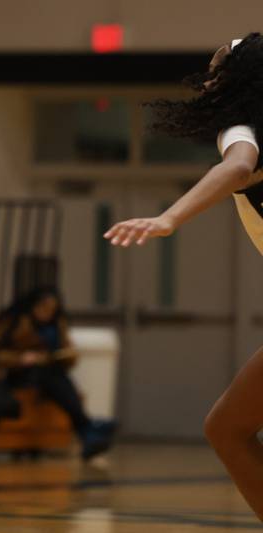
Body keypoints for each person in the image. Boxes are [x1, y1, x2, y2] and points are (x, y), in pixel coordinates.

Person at [104, 33, 263, 520]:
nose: (206, 80)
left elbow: (238, 167)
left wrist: (169, 217)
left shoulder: (242, 127)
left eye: (215, 71)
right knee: (227, 427)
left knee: (227, 429)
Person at [0, 287, 114, 460]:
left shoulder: (57, 324)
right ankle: (87, 427)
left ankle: (87, 428)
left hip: (47, 374)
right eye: (43, 308)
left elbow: (68, 354)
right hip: (15, 375)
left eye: (52, 309)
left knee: (52, 375)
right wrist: (21, 358)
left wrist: (67, 355)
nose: (47, 313)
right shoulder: (14, 321)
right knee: (50, 376)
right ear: (33, 306)